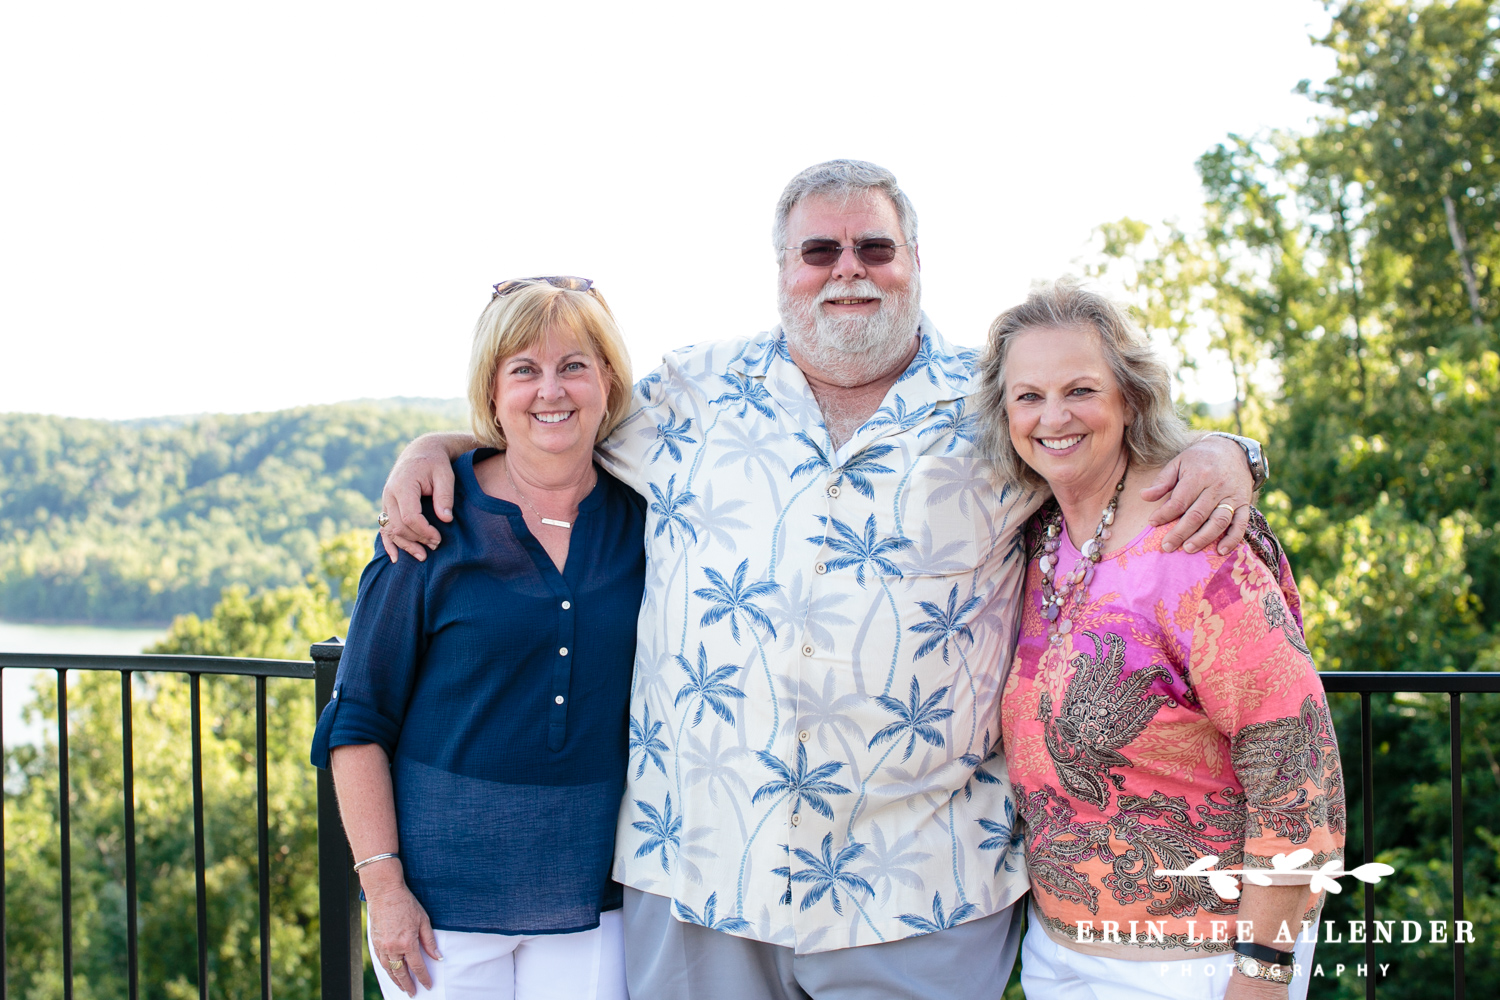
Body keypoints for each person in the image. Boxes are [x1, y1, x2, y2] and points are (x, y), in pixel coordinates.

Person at [378, 161, 1264, 999]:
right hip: (701, 879)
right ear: (782, 268)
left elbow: (1113, 444)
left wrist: (1232, 451)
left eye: (875, 248)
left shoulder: (998, 400)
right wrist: (440, 447)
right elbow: (554, 417)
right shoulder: (694, 388)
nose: (849, 271)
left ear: (914, 261)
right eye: (820, 251)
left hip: (920, 891)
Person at [976, 280, 1344, 999]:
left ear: (1129, 399)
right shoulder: (1035, 539)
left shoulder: (1196, 545)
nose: (1054, 416)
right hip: (1058, 958)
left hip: (1198, 970)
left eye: (1080, 389)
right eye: (1029, 397)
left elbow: (1299, 775)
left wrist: (1263, 974)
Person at [310, 277, 645, 1000]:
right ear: (492, 392)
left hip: (596, 900)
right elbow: (357, 721)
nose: (550, 390)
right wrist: (384, 886)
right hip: (438, 911)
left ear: (609, 381)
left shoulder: (649, 518)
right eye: (523, 369)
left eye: (573, 365)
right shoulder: (431, 520)